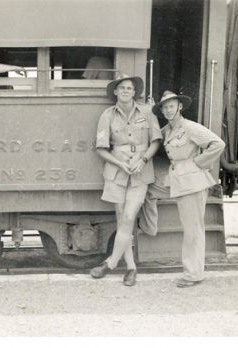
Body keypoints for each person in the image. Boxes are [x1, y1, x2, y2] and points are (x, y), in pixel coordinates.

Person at [138, 90, 225, 288]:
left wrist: (198, 163)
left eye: (171, 106)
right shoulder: (168, 129)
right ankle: (149, 228)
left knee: (193, 230)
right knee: (147, 190)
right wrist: (150, 114)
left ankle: (193, 274)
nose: (168, 110)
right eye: (164, 107)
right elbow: (154, 136)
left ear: (179, 107)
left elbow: (218, 144)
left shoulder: (190, 127)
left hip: (192, 183)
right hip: (176, 179)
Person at [89, 74, 162, 286]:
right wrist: (120, 164)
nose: (125, 91)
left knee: (129, 217)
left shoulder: (147, 113)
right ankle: (131, 268)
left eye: (129, 88)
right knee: (122, 219)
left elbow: (156, 141)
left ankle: (110, 263)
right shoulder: (107, 115)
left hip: (141, 170)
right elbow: (101, 148)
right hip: (116, 171)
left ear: (134, 92)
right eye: (121, 88)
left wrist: (143, 159)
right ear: (115, 91)